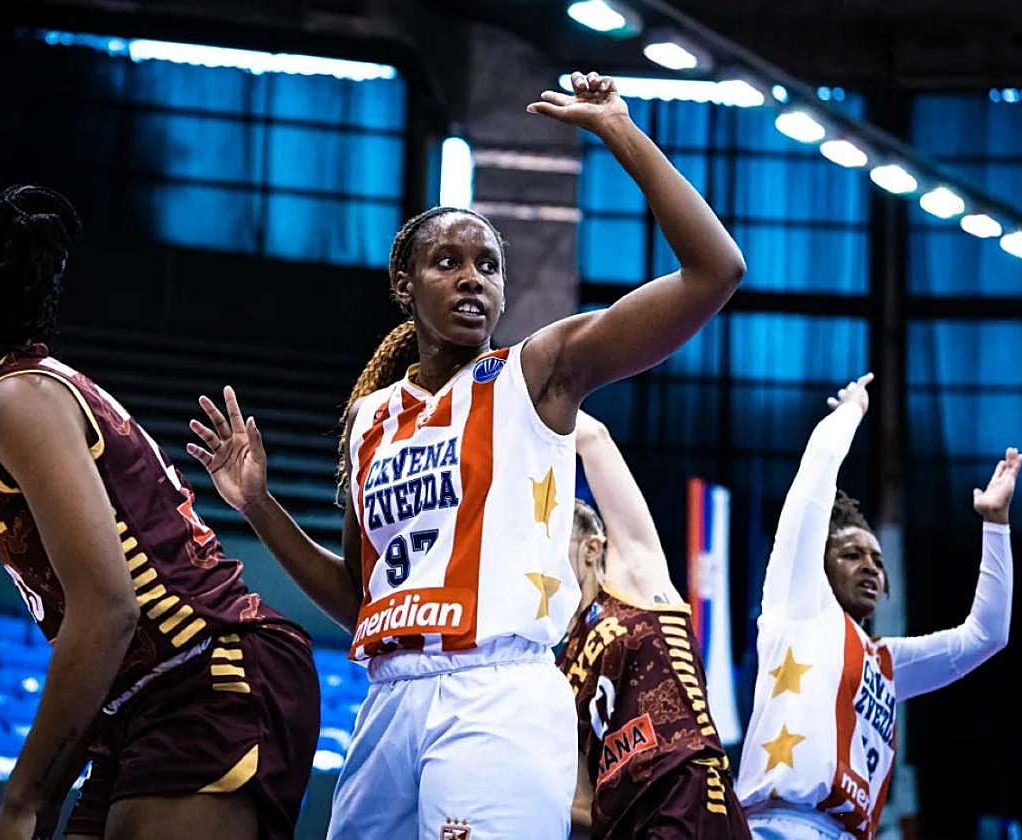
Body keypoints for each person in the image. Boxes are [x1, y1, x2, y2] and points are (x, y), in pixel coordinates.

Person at [189, 70, 745, 838]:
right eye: (447, 262)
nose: (471, 279)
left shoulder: (535, 373)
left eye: (487, 265)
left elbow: (715, 273)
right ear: (404, 283)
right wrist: (257, 506)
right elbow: (361, 600)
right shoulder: (372, 419)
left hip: (498, 693)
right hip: (388, 698)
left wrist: (620, 130)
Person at [0, 185, 319, 840]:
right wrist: (45, 799)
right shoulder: (26, 394)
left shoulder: (18, 397)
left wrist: (19, 800)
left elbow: (109, 610)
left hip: (206, 670)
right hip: (140, 706)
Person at [735, 373, 1021, 839]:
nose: (869, 567)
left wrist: (996, 523)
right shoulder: (799, 605)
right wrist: (851, 412)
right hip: (778, 826)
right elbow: (812, 487)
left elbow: (986, 636)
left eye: (877, 561)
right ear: (818, 565)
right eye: (851, 555)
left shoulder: (885, 665)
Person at [560, 412, 751, 839]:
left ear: (593, 548)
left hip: (687, 794)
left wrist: (502, 371)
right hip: (625, 828)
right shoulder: (555, 669)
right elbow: (580, 805)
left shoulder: (634, 582)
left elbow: (594, 437)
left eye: (553, 540)